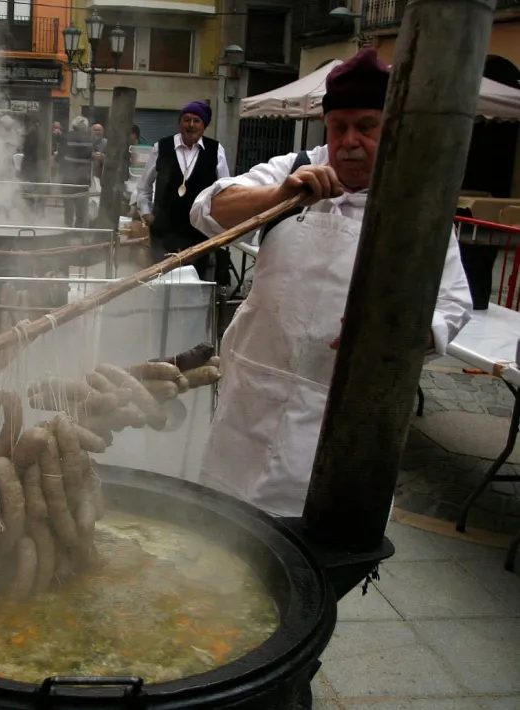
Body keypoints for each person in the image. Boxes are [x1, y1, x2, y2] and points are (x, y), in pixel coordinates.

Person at [189, 48, 472, 519]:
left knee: (310, 545)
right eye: (339, 127)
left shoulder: (413, 202)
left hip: (337, 411)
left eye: (366, 126)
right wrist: (281, 195)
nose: (349, 141)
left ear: (392, 127)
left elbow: (453, 304)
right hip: (252, 395)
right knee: (222, 526)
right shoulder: (297, 167)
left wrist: (400, 332)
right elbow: (208, 207)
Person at [136, 101, 230, 281]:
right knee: (160, 279)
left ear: (204, 126)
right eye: (186, 120)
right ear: (180, 123)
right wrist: (146, 213)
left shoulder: (215, 150)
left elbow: (224, 190)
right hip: (163, 229)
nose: (191, 125)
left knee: (194, 281)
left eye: (197, 120)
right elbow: (144, 185)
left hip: (198, 230)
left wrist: (217, 222)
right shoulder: (161, 147)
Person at [56, 115, 96, 228]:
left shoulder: (67, 137)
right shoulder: (89, 140)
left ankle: (67, 227)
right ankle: (79, 230)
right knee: (81, 206)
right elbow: (92, 157)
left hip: (68, 178)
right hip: (83, 178)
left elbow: (60, 157)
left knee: (68, 204)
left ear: (74, 126)